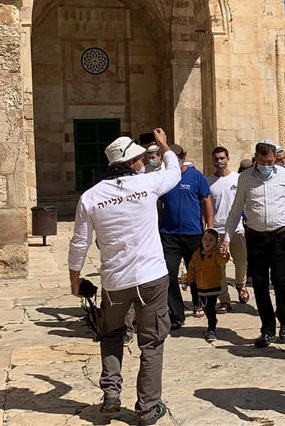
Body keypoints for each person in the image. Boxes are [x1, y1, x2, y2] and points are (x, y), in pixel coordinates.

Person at [68, 129, 180, 425]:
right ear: (130, 163)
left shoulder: (91, 197)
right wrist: (164, 144)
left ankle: (111, 394)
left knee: (111, 335)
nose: (143, 162)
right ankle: (147, 409)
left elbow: (79, 243)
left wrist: (75, 281)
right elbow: (174, 172)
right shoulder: (147, 184)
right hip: (151, 277)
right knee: (152, 342)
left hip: (115, 281)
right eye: (140, 158)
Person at [221, 140, 285, 348]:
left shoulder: (284, 175)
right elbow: (235, 210)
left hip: (280, 235)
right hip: (256, 237)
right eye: (264, 161)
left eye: (271, 162)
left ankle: (284, 319)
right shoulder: (245, 178)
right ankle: (267, 328)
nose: (267, 165)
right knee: (259, 283)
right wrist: (227, 238)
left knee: (281, 280)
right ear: (256, 158)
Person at [158, 144, 214, 329]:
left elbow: (206, 201)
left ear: (183, 157)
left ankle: (198, 302)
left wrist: (210, 227)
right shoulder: (164, 178)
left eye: (178, 157)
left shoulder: (196, 176)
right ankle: (176, 313)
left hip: (193, 233)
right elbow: (159, 204)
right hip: (169, 234)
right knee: (168, 272)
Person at [207, 146, 250, 310]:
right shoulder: (208, 182)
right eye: (216, 159)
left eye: (222, 158)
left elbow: (246, 203)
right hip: (217, 229)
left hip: (237, 229)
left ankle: (241, 285)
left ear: (228, 159)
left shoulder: (238, 179)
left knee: (241, 262)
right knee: (219, 267)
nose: (219, 161)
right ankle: (224, 298)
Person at [184, 228, 230, 343]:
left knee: (210, 307)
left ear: (216, 242)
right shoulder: (197, 254)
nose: (207, 242)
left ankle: (211, 329)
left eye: (211, 240)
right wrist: (187, 281)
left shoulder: (216, 253)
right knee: (205, 307)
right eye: (205, 239)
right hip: (201, 287)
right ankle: (212, 320)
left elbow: (222, 260)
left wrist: (224, 254)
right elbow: (191, 268)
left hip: (213, 286)